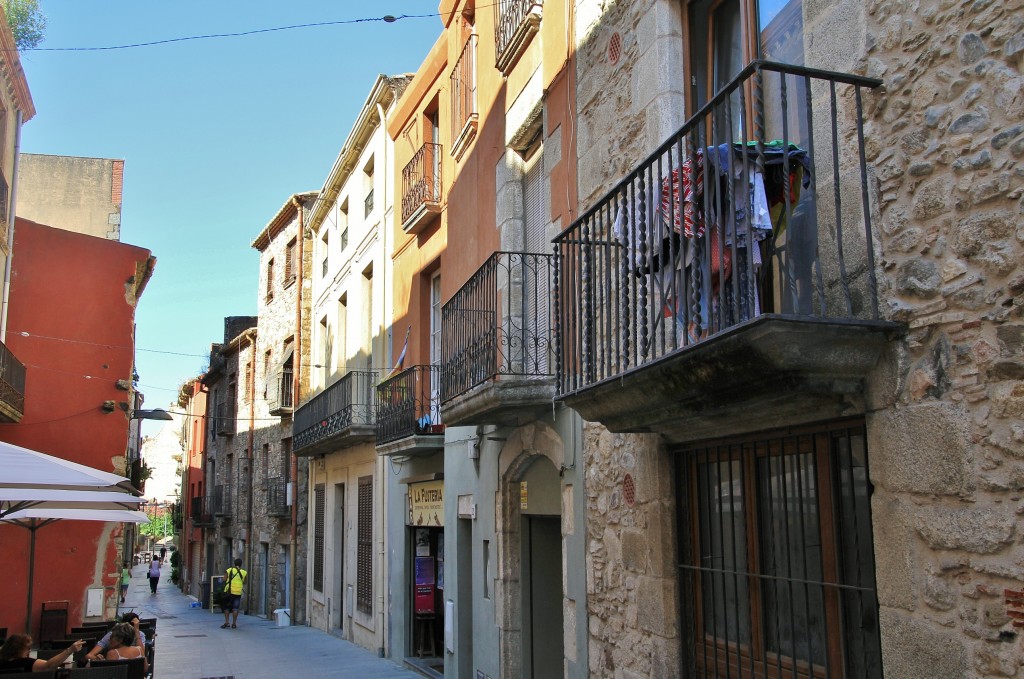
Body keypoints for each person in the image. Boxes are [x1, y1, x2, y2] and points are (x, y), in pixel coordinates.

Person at [0, 634, 83, 672]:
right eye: (27, 648)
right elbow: (49, 665)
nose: (29, 651)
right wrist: (69, 650)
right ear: (18, 650)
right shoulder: (25, 663)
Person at [220, 558, 247, 629]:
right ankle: (234, 623)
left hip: (228, 592)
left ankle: (227, 622)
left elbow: (224, 579)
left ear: (234, 563)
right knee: (235, 608)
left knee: (226, 607)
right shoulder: (244, 572)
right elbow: (245, 582)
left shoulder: (229, 570)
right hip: (238, 592)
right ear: (241, 564)